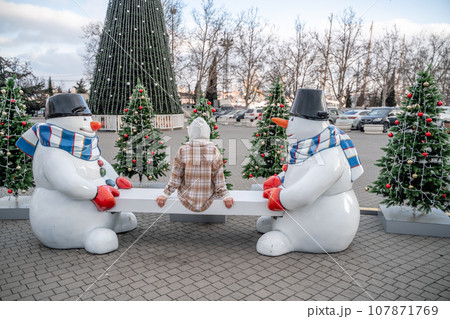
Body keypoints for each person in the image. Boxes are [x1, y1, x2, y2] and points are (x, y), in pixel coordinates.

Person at [156, 117, 234, 211]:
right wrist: (225, 195)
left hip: (185, 198)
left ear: (191, 132)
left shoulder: (183, 150)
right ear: (207, 131)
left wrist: (165, 194)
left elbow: (176, 177)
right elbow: (218, 178)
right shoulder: (214, 150)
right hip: (208, 197)